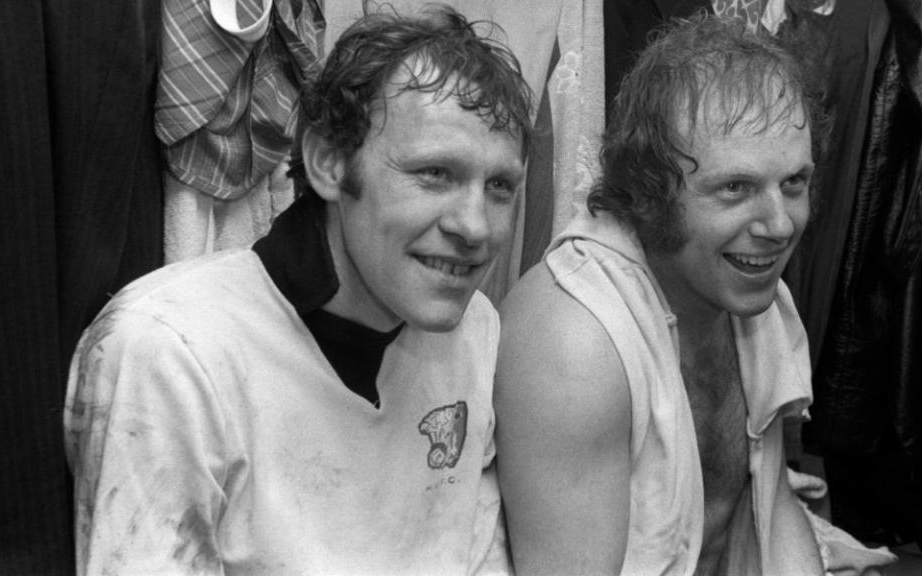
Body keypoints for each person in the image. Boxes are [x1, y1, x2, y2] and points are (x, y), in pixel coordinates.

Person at [64, 6, 533, 574]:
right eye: (435, 174)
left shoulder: (474, 329)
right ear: (329, 162)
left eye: (501, 186)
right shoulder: (172, 350)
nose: (475, 226)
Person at [494, 13, 896, 576]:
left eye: (794, 183)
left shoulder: (750, 290)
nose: (780, 225)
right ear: (650, 190)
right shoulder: (574, 342)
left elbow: (770, 507)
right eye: (736, 188)